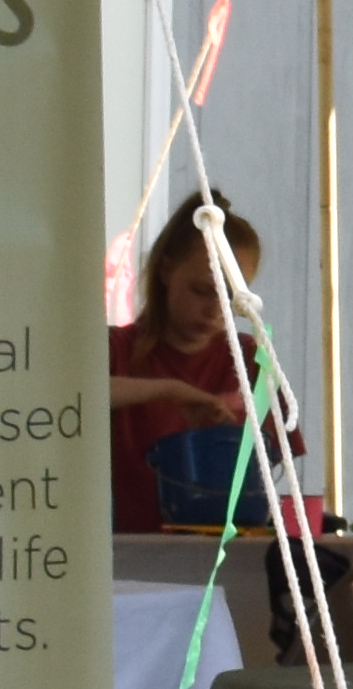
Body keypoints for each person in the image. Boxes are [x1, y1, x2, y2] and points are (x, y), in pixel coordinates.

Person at [105, 204, 264, 530]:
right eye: (202, 291)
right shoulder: (115, 350)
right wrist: (170, 390)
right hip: (124, 551)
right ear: (165, 271)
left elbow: (271, 468)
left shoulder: (249, 358)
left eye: (232, 298)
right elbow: (74, 394)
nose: (215, 310)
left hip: (224, 555)